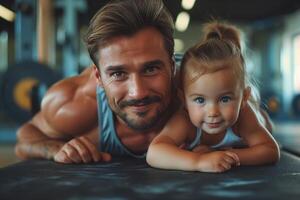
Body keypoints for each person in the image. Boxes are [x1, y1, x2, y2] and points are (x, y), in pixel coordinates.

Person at [15, 0, 179, 164]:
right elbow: (26, 137)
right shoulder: (74, 104)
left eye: (151, 69)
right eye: (118, 73)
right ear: (98, 77)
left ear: (172, 67)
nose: (138, 92)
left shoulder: (197, 90)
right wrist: (56, 148)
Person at [146, 22, 280, 173]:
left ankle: (261, 114)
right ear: (183, 100)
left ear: (243, 98)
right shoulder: (185, 121)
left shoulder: (243, 115)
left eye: (224, 99)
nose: (213, 112)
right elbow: (154, 152)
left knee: (265, 123)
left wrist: (223, 156)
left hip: (257, 116)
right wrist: (199, 161)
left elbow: (270, 150)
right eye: (200, 100)